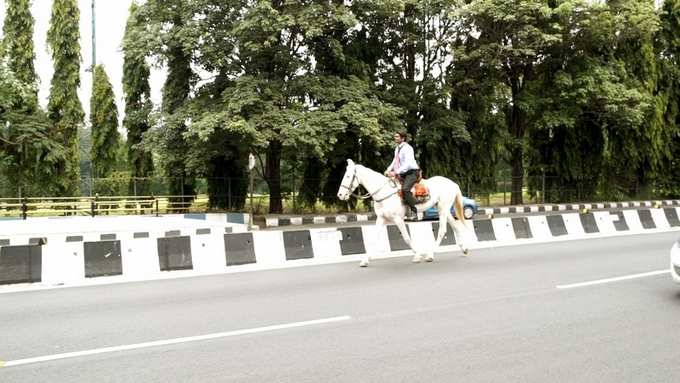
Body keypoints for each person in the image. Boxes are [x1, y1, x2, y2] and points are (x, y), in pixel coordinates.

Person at [384, 131, 420, 219]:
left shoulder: (408, 148)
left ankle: (414, 212)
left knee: (405, 189)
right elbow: (394, 161)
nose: (395, 138)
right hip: (403, 173)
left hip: (412, 172)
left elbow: (407, 164)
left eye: (397, 136)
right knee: (392, 188)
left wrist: (396, 172)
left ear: (403, 138)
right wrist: (388, 170)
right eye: (395, 136)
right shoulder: (397, 149)